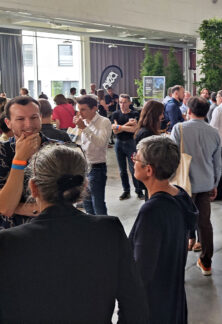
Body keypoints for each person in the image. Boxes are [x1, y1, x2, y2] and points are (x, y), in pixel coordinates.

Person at [0, 143, 149, 323]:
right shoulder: (108, 230)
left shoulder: (9, 242)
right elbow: (135, 305)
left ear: (33, 187)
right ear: (85, 185)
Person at [129, 136, 198, 324]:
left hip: (154, 304)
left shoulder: (152, 211)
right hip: (173, 294)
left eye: (137, 158)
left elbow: (142, 271)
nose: (133, 160)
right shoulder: (180, 195)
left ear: (148, 170)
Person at [171, 96, 221, 276]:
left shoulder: (179, 129)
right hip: (205, 183)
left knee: (182, 225)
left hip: (184, 185)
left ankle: (178, 266)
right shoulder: (214, 132)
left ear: (188, 111)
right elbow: (217, 162)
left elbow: (172, 157)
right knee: (204, 223)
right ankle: (206, 262)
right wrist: (215, 183)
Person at [0, 97, 43, 229]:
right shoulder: (2, 151)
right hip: (10, 236)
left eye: (34, 117)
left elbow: (68, 202)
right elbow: (6, 208)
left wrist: (16, 207)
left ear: (41, 117)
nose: (29, 124)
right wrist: (19, 159)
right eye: (20, 119)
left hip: (52, 234)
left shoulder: (61, 150)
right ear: (8, 123)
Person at [74, 95, 112, 215]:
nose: (80, 113)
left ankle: (103, 230)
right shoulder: (83, 122)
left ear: (94, 108)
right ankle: (92, 228)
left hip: (97, 167)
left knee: (98, 203)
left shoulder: (104, 122)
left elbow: (101, 143)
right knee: (86, 202)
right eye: (78, 109)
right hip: (83, 166)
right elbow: (79, 143)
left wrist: (84, 128)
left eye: (83, 109)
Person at [111, 94, 143, 200]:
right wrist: (127, 124)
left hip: (130, 143)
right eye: (120, 102)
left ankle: (138, 191)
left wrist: (120, 126)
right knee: (122, 170)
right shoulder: (115, 114)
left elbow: (134, 129)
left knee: (134, 168)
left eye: (124, 102)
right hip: (119, 143)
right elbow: (114, 131)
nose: (122, 104)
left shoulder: (134, 113)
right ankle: (126, 191)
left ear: (129, 103)